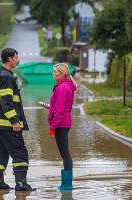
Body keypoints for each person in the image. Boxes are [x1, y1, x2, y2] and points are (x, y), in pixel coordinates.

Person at [0, 48, 33, 191]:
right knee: (19, 152)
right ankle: (21, 183)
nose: (17, 60)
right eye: (16, 57)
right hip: (6, 124)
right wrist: (15, 121)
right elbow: (6, 101)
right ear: (10, 59)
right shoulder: (7, 77)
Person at [47, 63, 77, 191]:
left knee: (65, 154)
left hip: (61, 124)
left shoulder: (62, 87)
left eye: (56, 72)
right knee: (65, 154)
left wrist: (52, 127)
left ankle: (67, 185)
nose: (53, 74)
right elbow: (62, 107)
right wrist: (50, 107)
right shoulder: (63, 86)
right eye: (53, 72)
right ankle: (66, 184)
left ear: (63, 74)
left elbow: (60, 111)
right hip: (63, 122)